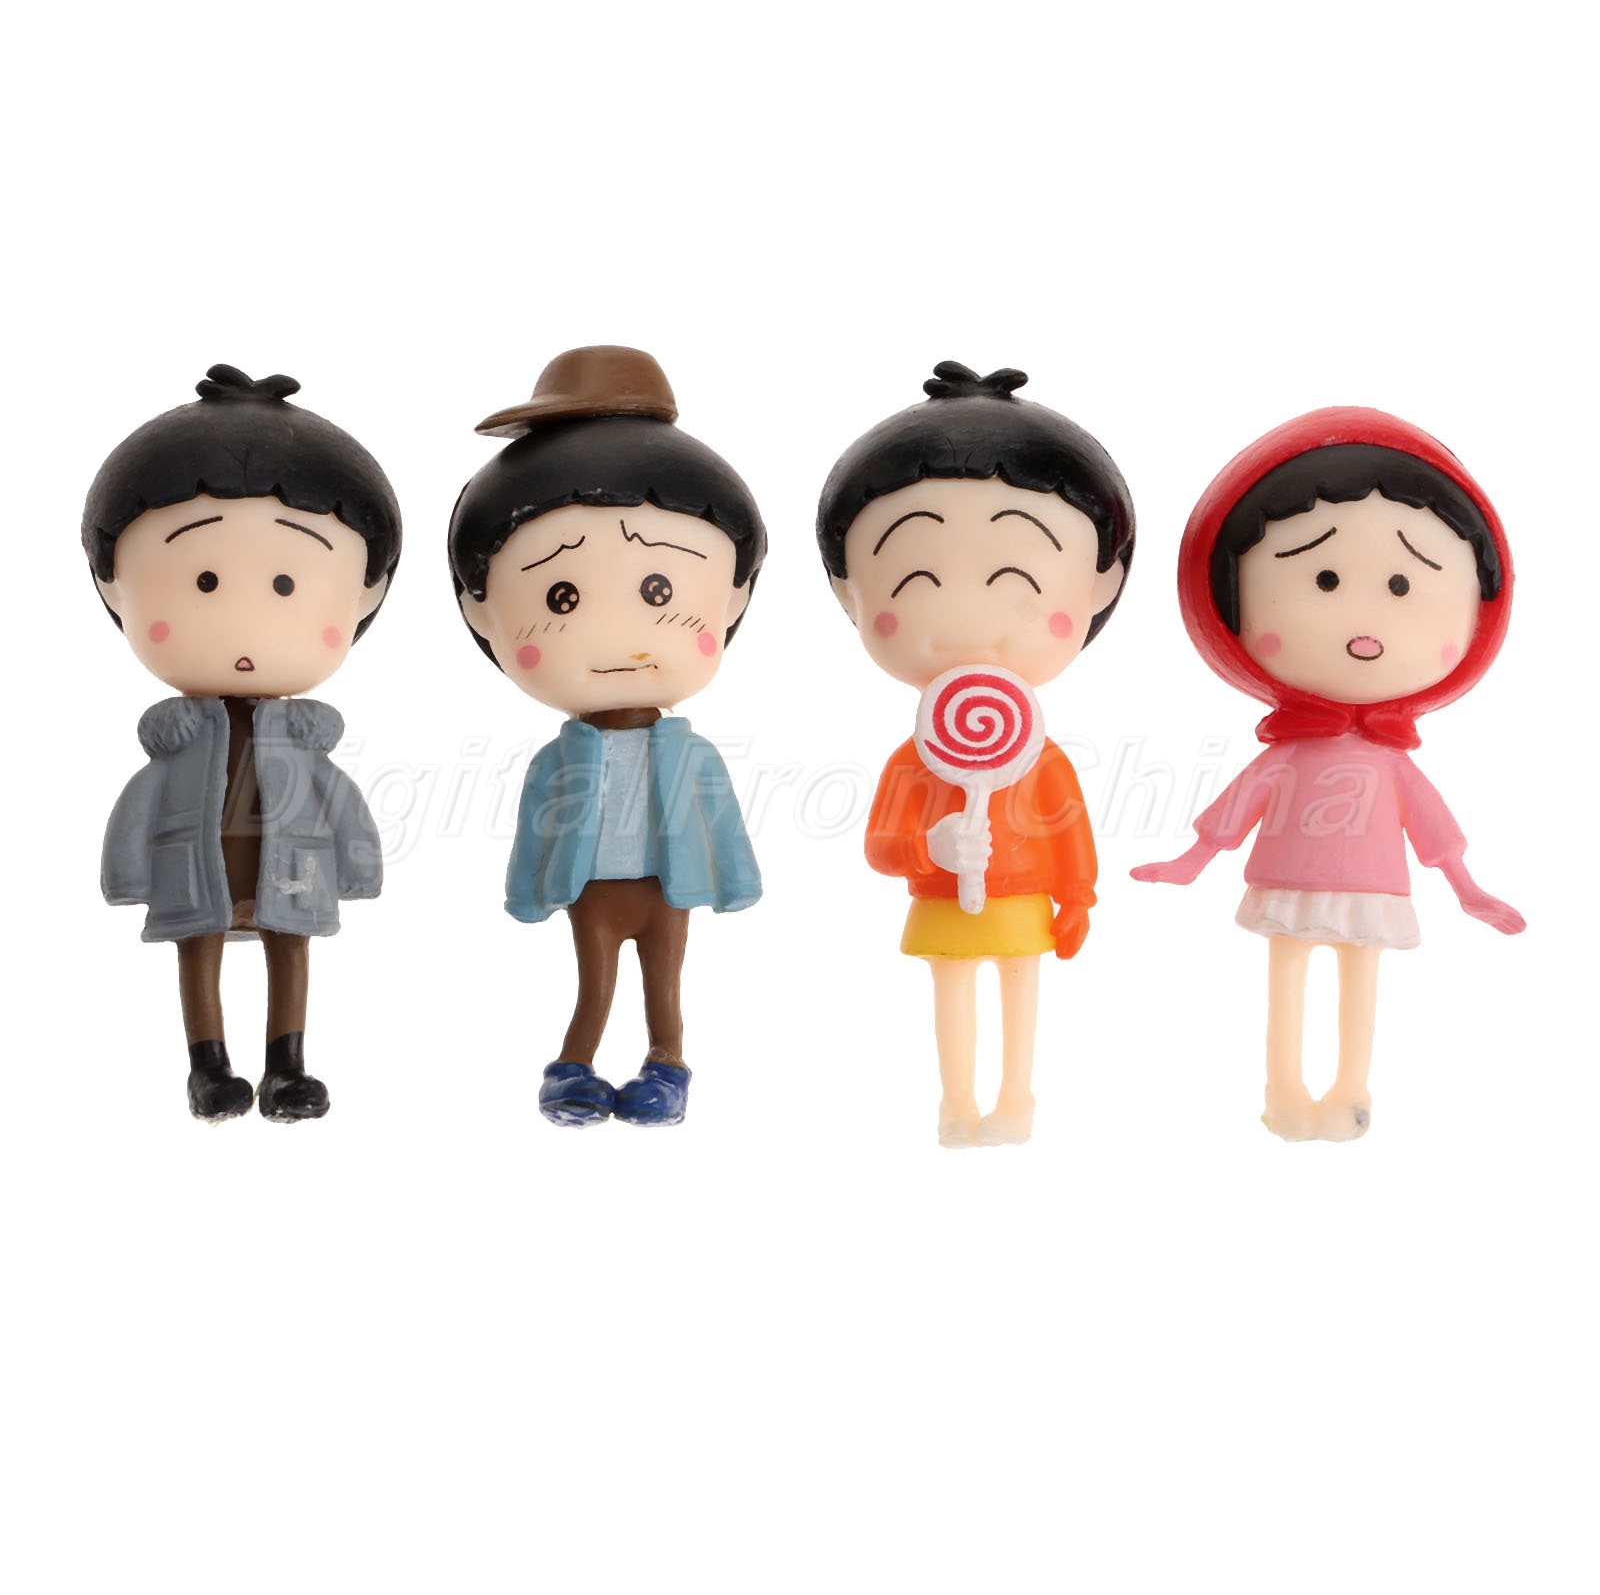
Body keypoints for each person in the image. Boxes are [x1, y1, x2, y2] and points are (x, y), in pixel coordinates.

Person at [1132, 407, 1524, 1141]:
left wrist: (1469, 890)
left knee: (1358, 979)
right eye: (1325, 577)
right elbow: (1242, 802)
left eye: (1403, 585)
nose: (1365, 622)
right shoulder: (1291, 754)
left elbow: (1433, 828)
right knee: (1287, 977)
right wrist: (1190, 861)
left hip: (1373, 883)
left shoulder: (1388, 761)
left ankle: (1349, 1089)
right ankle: (1284, 1089)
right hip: (1289, 874)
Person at [817, 361, 1135, 1147]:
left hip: (1022, 900)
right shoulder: (914, 760)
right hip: (942, 901)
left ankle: (1015, 1099)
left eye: (1015, 579)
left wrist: (1079, 897)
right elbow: (880, 845)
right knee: (953, 995)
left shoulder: (1040, 757)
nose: (964, 613)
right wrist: (929, 846)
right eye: (917, 579)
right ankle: (957, 1103)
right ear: (851, 592)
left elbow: (1070, 827)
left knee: (1022, 995)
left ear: (1099, 586)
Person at [448, 346, 765, 1128]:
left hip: (669, 883)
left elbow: (722, 821)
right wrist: (528, 892)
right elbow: (538, 827)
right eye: (561, 596)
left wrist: (735, 882)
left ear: (732, 598)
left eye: (661, 590)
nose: (622, 636)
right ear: (483, 612)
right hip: (589, 884)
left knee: (665, 986)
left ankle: (666, 1067)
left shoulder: (691, 755)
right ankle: (574, 1069)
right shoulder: (559, 760)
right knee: (593, 984)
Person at [86, 364, 400, 1120]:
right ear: (114, 588)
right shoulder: (177, 746)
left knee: (291, 950)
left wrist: (359, 864)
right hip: (195, 867)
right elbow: (141, 804)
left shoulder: (303, 745)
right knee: (198, 951)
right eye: (204, 581)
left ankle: (286, 1066)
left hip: (291, 865)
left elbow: (339, 801)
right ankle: (208, 1066)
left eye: (287, 585)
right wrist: (126, 873)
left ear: (366, 595)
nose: (247, 619)